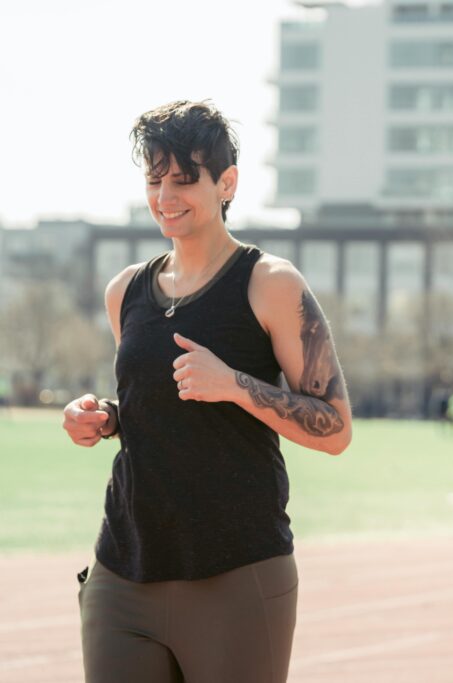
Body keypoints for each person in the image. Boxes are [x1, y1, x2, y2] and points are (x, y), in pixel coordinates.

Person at [61, 100, 353, 683]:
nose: (165, 195)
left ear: (227, 183)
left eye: (183, 179)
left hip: (237, 575)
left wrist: (237, 385)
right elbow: (160, 407)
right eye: (155, 179)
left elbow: (336, 428)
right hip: (124, 571)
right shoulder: (126, 291)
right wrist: (105, 417)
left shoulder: (270, 283)